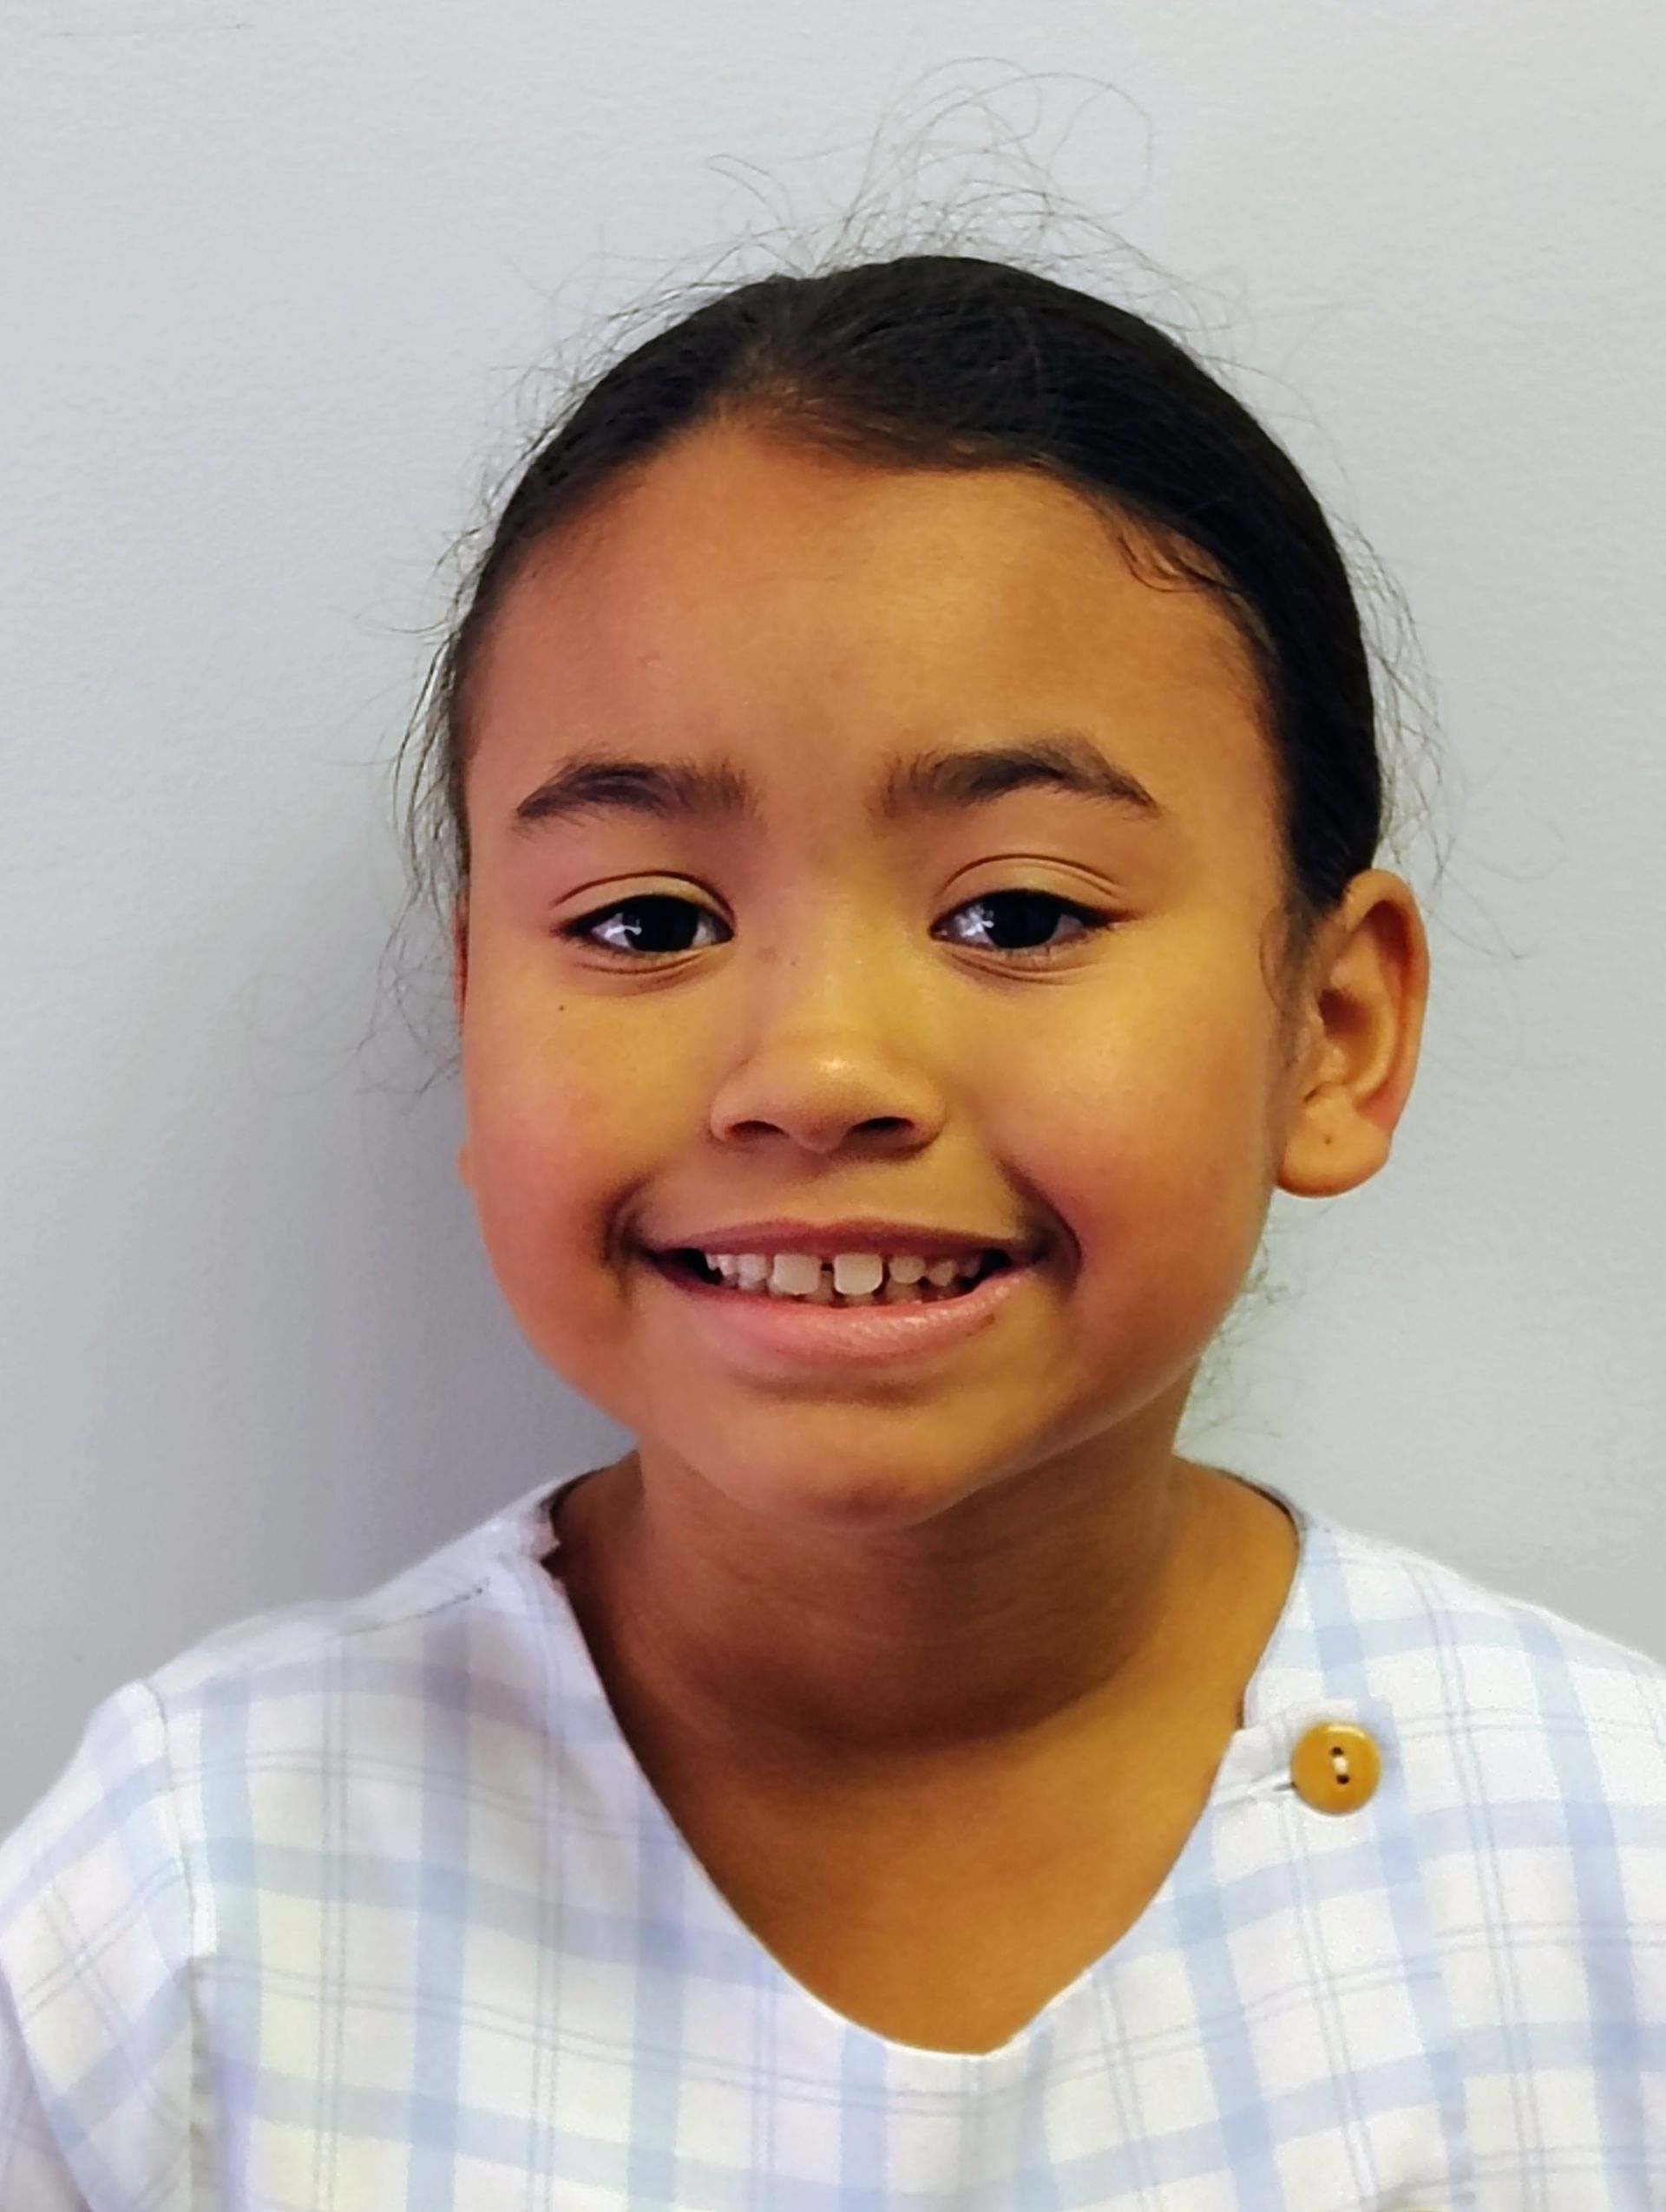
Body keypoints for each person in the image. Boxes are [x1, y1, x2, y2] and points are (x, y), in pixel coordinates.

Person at [2, 249, 1662, 2211]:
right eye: (644, 923)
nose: (815, 1069)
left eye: (1020, 912)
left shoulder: (1609, 1870)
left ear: (1337, 1029)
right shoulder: (189, 1899)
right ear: (478, 1016)